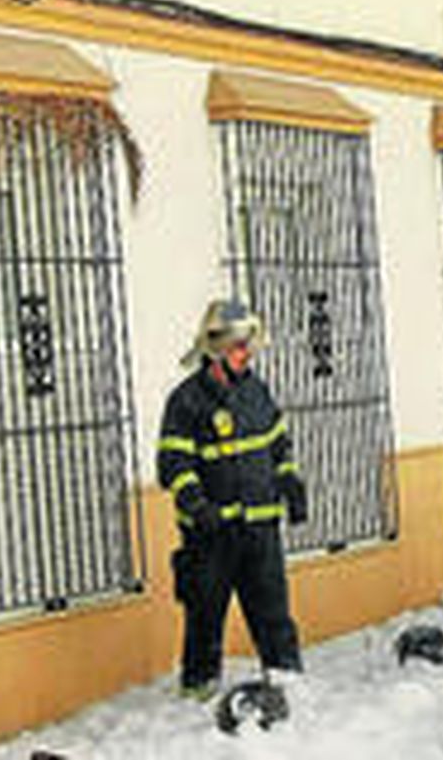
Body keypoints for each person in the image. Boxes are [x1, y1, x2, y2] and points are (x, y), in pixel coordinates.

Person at [157, 300, 307, 700]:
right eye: (240, 346)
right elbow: (173, 463)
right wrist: (195, 505)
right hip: (212, 535)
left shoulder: (257, 392)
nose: (247, 354)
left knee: (274, 616)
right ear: (216, 349)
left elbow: (278, 444)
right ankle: (198, 695)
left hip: (260, 530)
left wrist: (290, 481)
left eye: (250, 346)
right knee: (205, 621)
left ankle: (287, 687)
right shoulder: (186, 401)